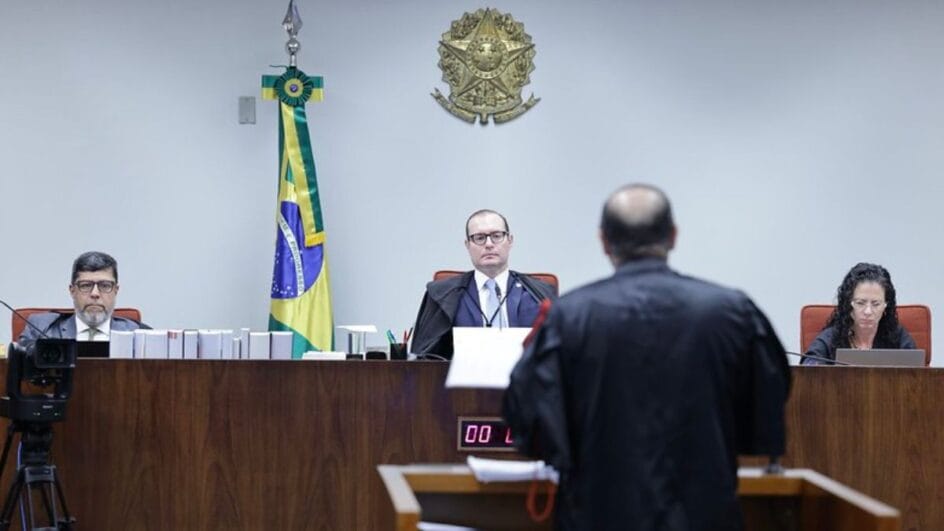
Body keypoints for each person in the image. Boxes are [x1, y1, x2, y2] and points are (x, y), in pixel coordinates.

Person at [503, 184, 791, 531]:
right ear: (673, 236)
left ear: (604, 242)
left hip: (597, 515)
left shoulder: (568, 318)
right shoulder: (732, 312)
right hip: (704, 516)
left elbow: (527, 419)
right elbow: (764, 418)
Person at [410, 209, 556, 358]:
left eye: (496, 236)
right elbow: (424, 360)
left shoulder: (539, 294)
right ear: (467, 245)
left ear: (510, 240)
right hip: (463, 380)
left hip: (524, 379)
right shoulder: (441, 295)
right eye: (479, 238)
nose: (488, 244)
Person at [17, 251, 147, 348]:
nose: (95, 294)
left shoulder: (137, 334)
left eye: (105, 286)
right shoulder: (42, 329)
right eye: (86, 285)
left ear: (116, 291)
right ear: (72, 291)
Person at [802, 262, 915, 365]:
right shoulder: (833, 336)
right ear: (848, 304)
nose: (868, 311)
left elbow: (917, 369)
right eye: (860, 303)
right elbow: (809, 364)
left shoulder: (896, 336)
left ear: (886, 305)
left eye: (876, 304)